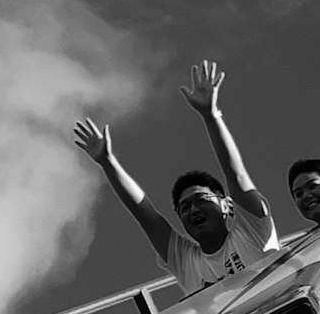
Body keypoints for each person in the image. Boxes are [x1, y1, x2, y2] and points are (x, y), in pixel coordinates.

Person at [67, 59, 276, 298]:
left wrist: (211, 116)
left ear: (227, 205)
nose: (193, 209)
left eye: (200, 199)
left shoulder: (252, 230)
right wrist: (107, 162)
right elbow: (144, 213)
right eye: (184, 207)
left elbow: (235, 173)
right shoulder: (185, 260)